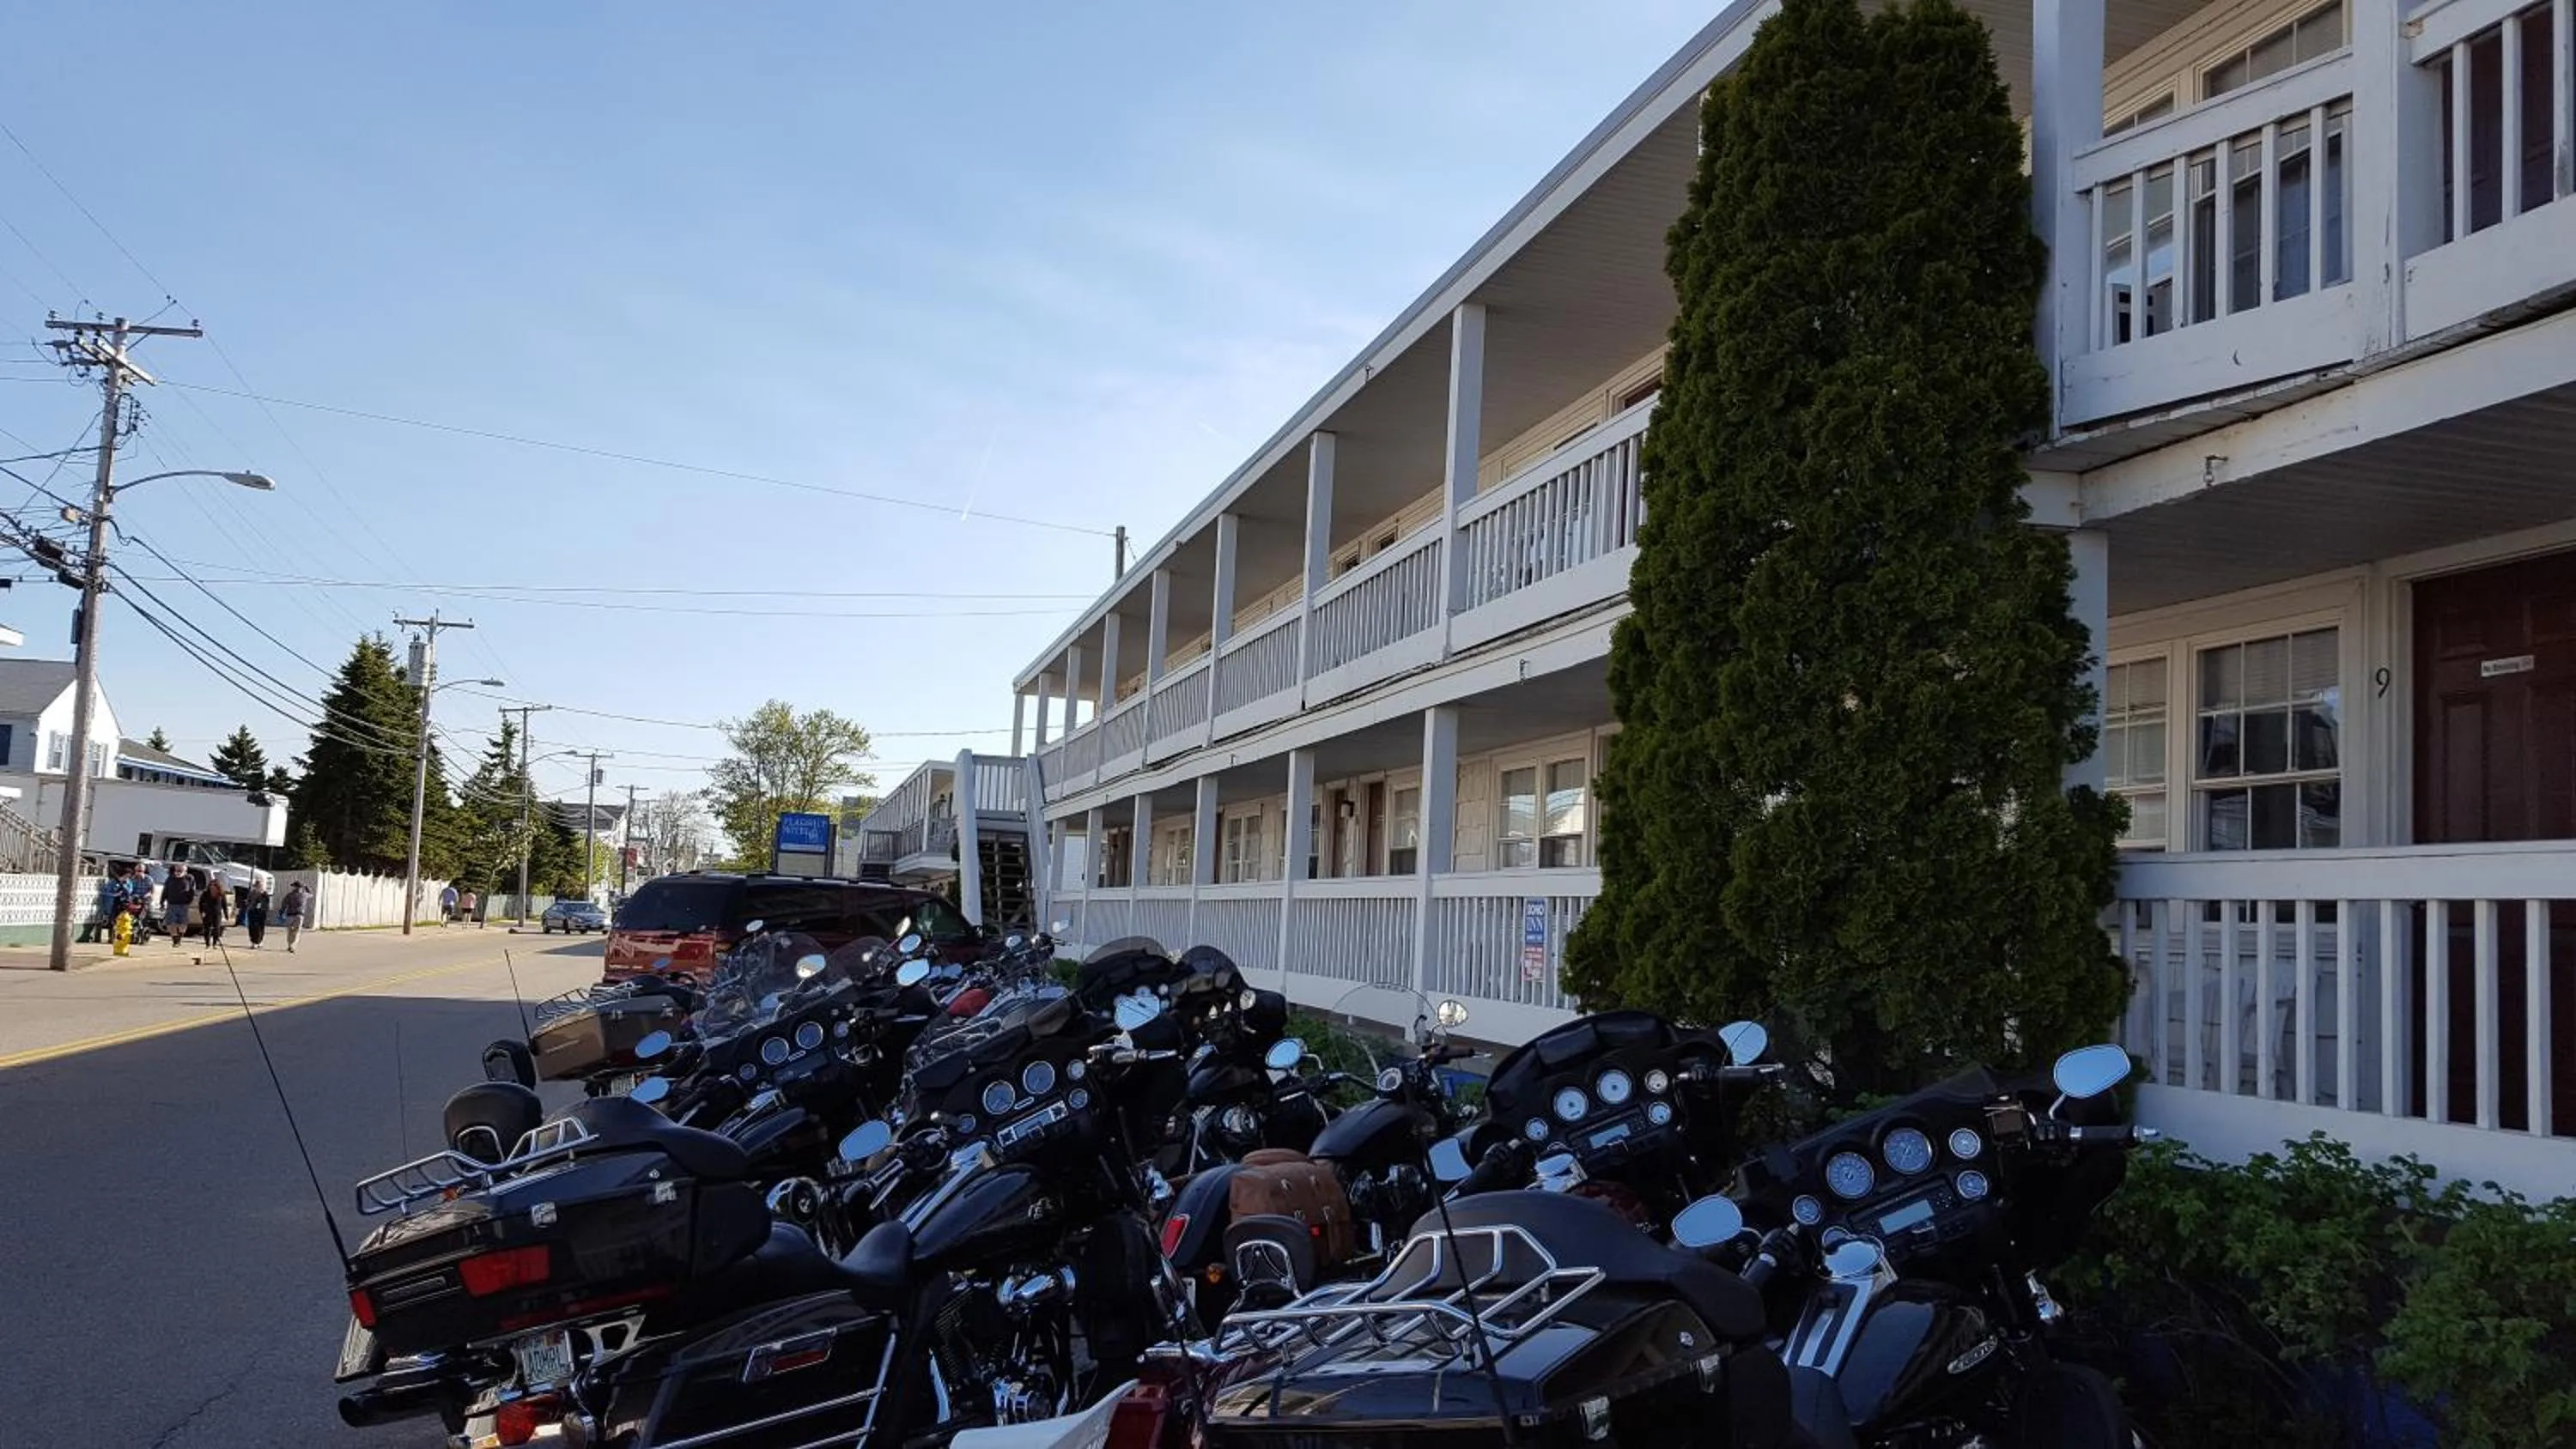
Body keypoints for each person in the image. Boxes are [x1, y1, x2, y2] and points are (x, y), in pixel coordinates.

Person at [162, 865, 199, 947]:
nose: (178, 872)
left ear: (185, 872)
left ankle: (179, 937)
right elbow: (165, 890)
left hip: (184, 904)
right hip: (171, 903)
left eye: (180, 870)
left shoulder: (189, 878)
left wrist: (189, 900)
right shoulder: (170, 879)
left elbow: (192, 891)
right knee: (171, 923)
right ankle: (175, 940)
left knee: (183, 923)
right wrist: (162, 901)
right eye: (177, 870)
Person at [277, 880, 309, 952]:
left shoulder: (290, 895)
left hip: (291, 915)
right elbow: (311, 893)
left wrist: (281, 913)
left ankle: (290, 945)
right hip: (298, 915)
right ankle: (292, 946)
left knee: (290, 931)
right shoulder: (304, 895)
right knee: (295, 931)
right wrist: (306, 887)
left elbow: (284, 904)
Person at [201, 876, 229, 949]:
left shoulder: (221, 894)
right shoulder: (206, 893)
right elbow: (201, 903)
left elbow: (224, 905)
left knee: (217, 929)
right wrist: (202, 912)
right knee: (207, 929)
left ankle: (215, 943)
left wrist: (226, 915)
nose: (212, 887)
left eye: (214, 885)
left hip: (217, 913)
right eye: (211, 885)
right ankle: (207, 943)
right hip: (207, 913)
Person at [243, 883, 271, 948]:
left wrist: (265, 910)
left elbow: (267, 904)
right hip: (252, 911)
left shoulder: (264, 894)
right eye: (255, 886)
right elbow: (248, 900)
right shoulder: (251, 893)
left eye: (258, 886)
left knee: (260, 928)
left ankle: (259, 941)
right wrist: (247, 903)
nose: (256, 888)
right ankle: (253, 941)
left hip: (261, 913)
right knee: (252, 927)